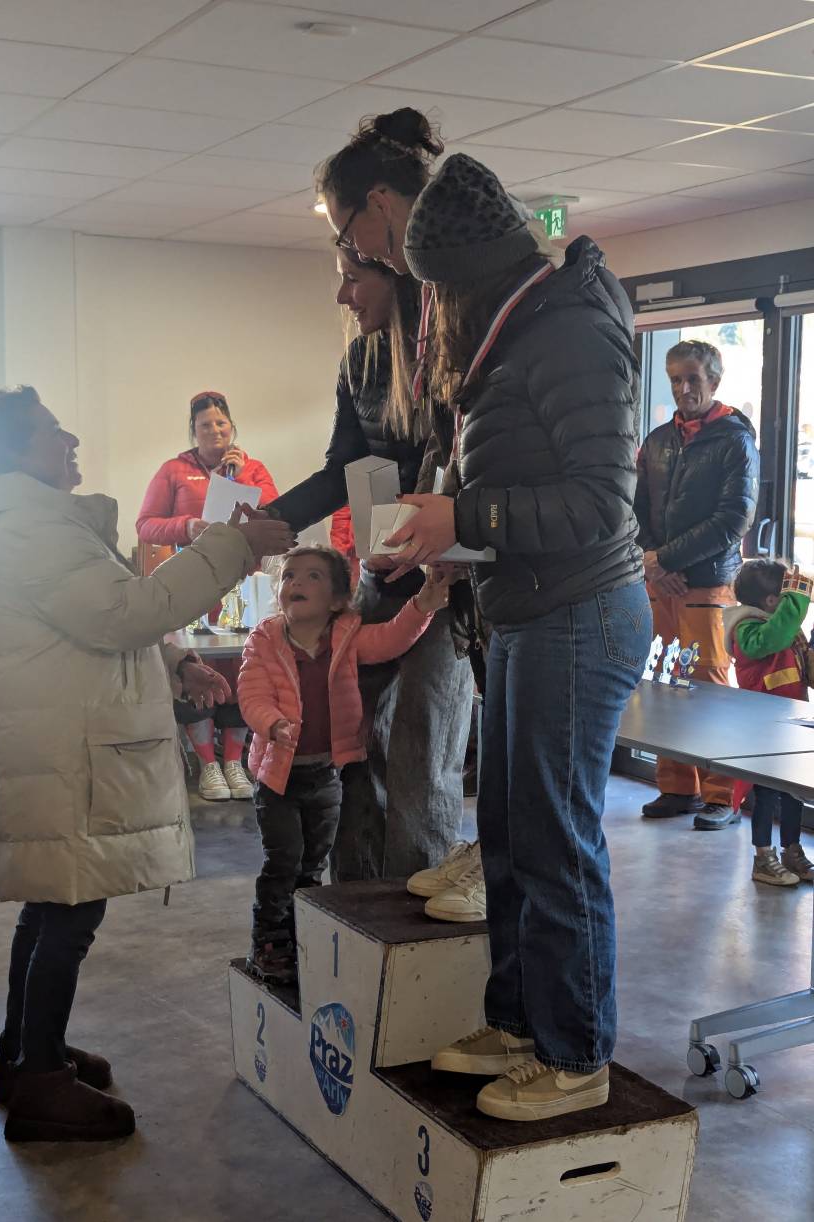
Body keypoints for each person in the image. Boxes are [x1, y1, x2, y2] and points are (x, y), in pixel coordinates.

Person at [0, 386, 293, 1143]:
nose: (69, 439)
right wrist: (233, 547)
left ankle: (26, 1053)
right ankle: (40, 1082)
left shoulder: (26, 523)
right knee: (68, 913)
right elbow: (124, 614)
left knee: (51, 908)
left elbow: (106, 612)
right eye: (50, 432)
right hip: (63, 753)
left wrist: (175, 666)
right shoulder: (32, 529)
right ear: (13, 454)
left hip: (57, 746)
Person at [376, 152, 650, 1121]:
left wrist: (468, 519)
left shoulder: (568, 329)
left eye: (437, 291)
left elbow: (598, 506)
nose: (431, 313)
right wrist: (459, 544)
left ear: (472, 275)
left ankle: (573, 1055)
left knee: (555, 841)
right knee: (504, 835)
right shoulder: (522, 329)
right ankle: (519, 1021)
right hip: (533, 609)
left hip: (580, 614)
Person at [268, 246, 474, 883]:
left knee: (420, 751)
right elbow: (343, 470)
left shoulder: (458, 354)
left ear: (400, 278)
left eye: (354, 281)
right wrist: (271, 520)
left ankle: (415, 907)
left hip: (445, 587)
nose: (343, 298)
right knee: (352, 743)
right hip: (377, 578)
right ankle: (355, 901)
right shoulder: (361, 360)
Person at [237, 546, 451, 983]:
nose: (295, 583)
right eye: (289, 576)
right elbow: (251, 693)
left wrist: (423, 605)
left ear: (337, 599)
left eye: (313, 576)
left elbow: (391, 639)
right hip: (277, 778)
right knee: (284, 859)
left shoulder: (347, 636)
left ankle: (301, 936)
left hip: (325, 775)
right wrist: (271, 723)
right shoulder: (264, 640)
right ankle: (268, 942)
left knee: (312, 862)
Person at [635, 340, 760, 830]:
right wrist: (652, 562)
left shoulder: (735, 439)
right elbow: (635, 506)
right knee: (661, 682)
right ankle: (677, 787)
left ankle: (722, 795)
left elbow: (734, 519)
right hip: (659, 582)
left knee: (707, 687)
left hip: (707, 584)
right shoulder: (659, 438)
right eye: (676, 380)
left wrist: (664, 558)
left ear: (714, 382)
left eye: (693, 379)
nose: (684, 389)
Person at [137, 391, 280, 802]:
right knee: (196, 666)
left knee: (243, 670)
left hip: (244, 587)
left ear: (232, 427)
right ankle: (207, 763)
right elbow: (146, 525)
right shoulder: (174, 471)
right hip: (193, 585)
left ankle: (235, 760)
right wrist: (188, 526)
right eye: (205, 425)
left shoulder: (252, 468)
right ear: (193, 431)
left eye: (221, 423)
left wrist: (241, 479)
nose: (215, 430)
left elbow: (275, 514)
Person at [723, 559, 814, 885]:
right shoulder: (746, 628)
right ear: (772, 602)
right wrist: (798, 601)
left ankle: (792, 849)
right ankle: (763, 857)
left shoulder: (783, 627)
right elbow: (771, 641)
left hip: (790, 726)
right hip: (760, 730)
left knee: (792, 794)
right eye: (786, 596)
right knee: (765, 795)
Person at [318, 106, 443, 276]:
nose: (361, 256)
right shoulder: (437, 276)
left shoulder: (461, 273)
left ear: (378, 205)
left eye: (350, 240)